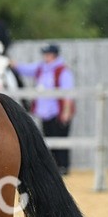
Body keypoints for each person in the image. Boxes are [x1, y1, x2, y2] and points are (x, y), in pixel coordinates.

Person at [12, 43, 75, 175]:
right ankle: (54, 167)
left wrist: (66, 111)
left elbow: (68, 93)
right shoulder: (42, 68)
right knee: (49, 139)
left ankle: (63, 166)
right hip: (45, 112)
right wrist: (14, 64)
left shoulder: (62, 70)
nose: (45, 56)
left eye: (47, 54)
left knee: (61, 139)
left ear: (53, 55)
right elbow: (26, 69)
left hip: (57, 111)